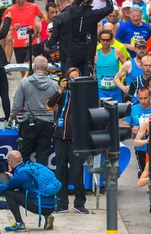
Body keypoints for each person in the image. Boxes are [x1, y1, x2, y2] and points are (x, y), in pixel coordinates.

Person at [46, 67, 88, 214]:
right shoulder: (62, 94)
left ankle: (79, 203)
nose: (73, 82)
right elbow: (50, 105)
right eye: (71, 79)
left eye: (76, 79)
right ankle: (62, 203)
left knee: (77, 172)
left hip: (76, 140)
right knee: (60, 171)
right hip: (60, 137)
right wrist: (60, 89)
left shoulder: (84, 95)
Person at [0, 150, 56, 231]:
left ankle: (19, 224)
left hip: (40, 206)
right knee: (31, 193)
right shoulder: (30, 167)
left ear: (10, 162)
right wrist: (13, 176)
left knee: (9, 193)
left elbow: (3, 190)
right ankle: (48, 215)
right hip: (51, 206)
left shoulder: (19, 175)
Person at [10, 56, 58, 166]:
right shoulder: (54, 85)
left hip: (28, 123)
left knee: (24, 157)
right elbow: (56, 107)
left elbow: (17, 104)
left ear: (34, 67)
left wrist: (12, 117)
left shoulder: (24, 83)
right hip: (47, 123)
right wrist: (54, 120)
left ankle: (24, 180)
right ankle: (40, 182)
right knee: (43, 157)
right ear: (47, 68)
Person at [65, 0, 114, 75]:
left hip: (73, 52)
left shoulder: (73, 10)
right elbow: (110, 8)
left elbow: (75, 4)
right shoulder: (94, 14)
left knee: (70, 78)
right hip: (88, 53)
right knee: (87, 81)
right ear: (93, 0)